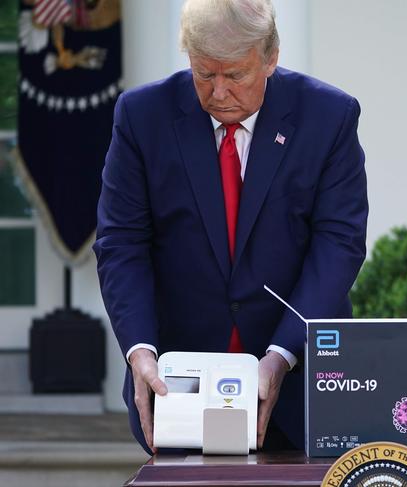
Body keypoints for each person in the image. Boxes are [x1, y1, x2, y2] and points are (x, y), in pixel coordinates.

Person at [93, 0, 368, 454]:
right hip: (181, 382)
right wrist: (140, 350)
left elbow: (338, 244)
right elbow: (121, 242)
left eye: (235, 75)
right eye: (204, 74)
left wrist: (281, 356)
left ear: (271, 57)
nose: (219, 92)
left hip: (297, 378)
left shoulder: (328, 117)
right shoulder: (142, 117)